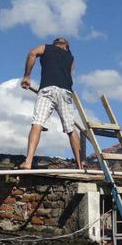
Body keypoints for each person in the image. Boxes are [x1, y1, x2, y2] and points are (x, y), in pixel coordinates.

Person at [20, 37, 83, 170]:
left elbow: (32, 53)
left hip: (47, 90)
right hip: (65, 92)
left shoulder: (46, 47)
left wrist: (27, 76)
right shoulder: (70, 57)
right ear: (66, 46)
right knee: (71, 128)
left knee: (37, 123)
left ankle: (28, 162)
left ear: (55, 44)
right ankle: (79, 164)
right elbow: (70, 74)